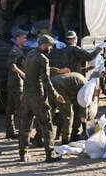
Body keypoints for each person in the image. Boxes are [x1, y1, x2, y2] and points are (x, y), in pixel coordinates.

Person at [19, 34, 66, 163]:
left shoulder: (29, 54)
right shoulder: (43, 58)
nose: (51, 48)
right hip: (38, 96)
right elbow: (46, 81)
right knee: (47, 124)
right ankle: (50, 154)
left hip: (26, 95)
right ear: (44, 45)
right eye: (50, 46)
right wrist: (56, 96)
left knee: (25, 125)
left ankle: (23, 154)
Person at [51, 72, 89, 144]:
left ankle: (38, 137)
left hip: (52, 82)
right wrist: (84, 129)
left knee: (50, 111)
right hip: (59, 87)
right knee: (68, 114)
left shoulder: (83, 83)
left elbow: (78, 107)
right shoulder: (86, 91)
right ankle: (65, 140)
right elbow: (83, 109)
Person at [5, 29, 28, 139]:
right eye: (23, 37)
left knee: (10, 108)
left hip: (14, 83)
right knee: (20, 108)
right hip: (16, 83)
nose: (25, 39)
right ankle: (21, 132)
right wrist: (22, 74)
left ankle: (10, 131)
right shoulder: (15, 51)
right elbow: (11, 65)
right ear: (18, 38)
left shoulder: (19, 50)